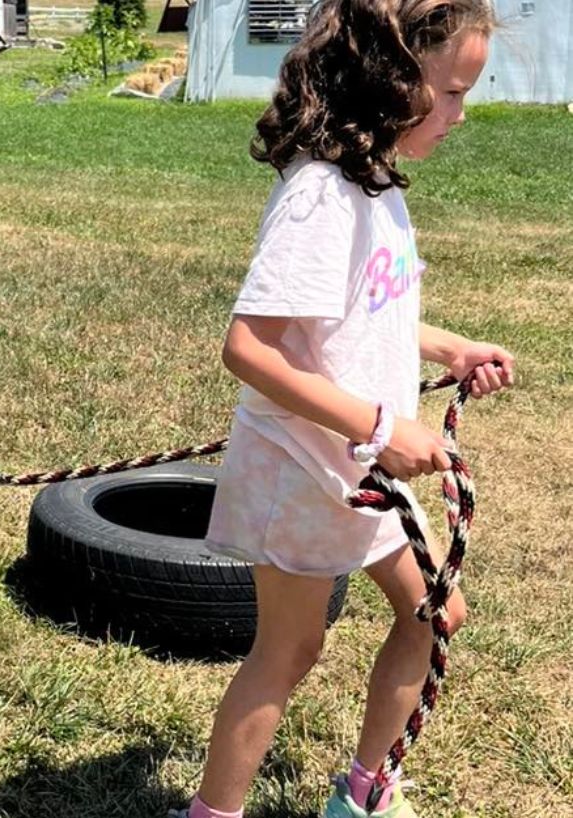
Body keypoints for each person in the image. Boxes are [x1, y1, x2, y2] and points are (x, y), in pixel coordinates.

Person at [174, 2, 514, 817]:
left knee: (435, 616)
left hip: (363, 470)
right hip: (306, 465)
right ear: (389, 80)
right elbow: (248, 348)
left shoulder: (376, 185)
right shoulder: (318, 199)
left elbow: (366, 314)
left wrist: (449, 349)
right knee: (288, 651)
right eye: (453, 91)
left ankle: (362, 793)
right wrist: (378, 426)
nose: (462, 115)